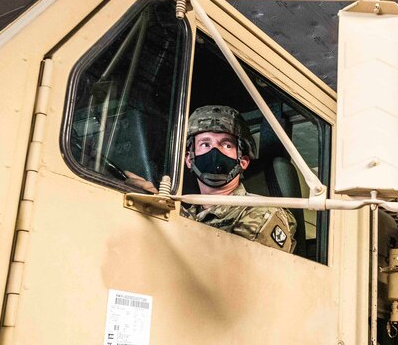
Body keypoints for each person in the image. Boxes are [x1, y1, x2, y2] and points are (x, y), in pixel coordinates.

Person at [126, 105, 296, 253]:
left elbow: (228, 276)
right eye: (205, 144)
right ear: (188, 159)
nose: (214, 152)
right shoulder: (188, 212)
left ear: (243, 162)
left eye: (226, 145)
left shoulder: (262, 213)